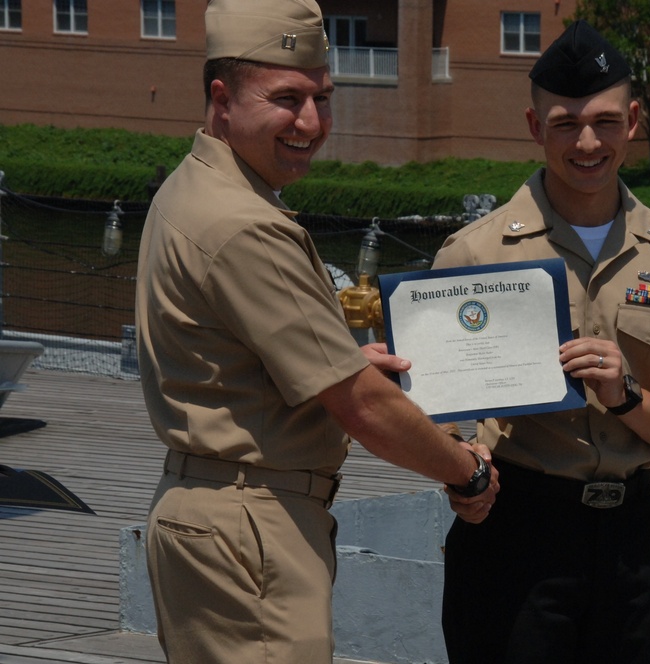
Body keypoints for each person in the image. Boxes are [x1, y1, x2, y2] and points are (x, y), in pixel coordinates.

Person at [134, 1, 497, 662]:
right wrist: (465, 471)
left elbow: (255, 365)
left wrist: (348, 365)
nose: (311, 122)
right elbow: (358, 404)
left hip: (208, 515)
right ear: (222, 98)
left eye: (322, 98)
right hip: (253, 528)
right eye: (287, 99)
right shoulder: (247, 225)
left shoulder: (189, 191)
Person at [433, 20, 650, 664]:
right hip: (514, 532)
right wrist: (461, 468)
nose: (587, 142)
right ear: (532, 125)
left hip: (630, 539)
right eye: (565, 124)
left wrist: (629, 396)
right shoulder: (473, 255)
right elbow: (427, 410)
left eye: (603, 121)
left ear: (632, 120)